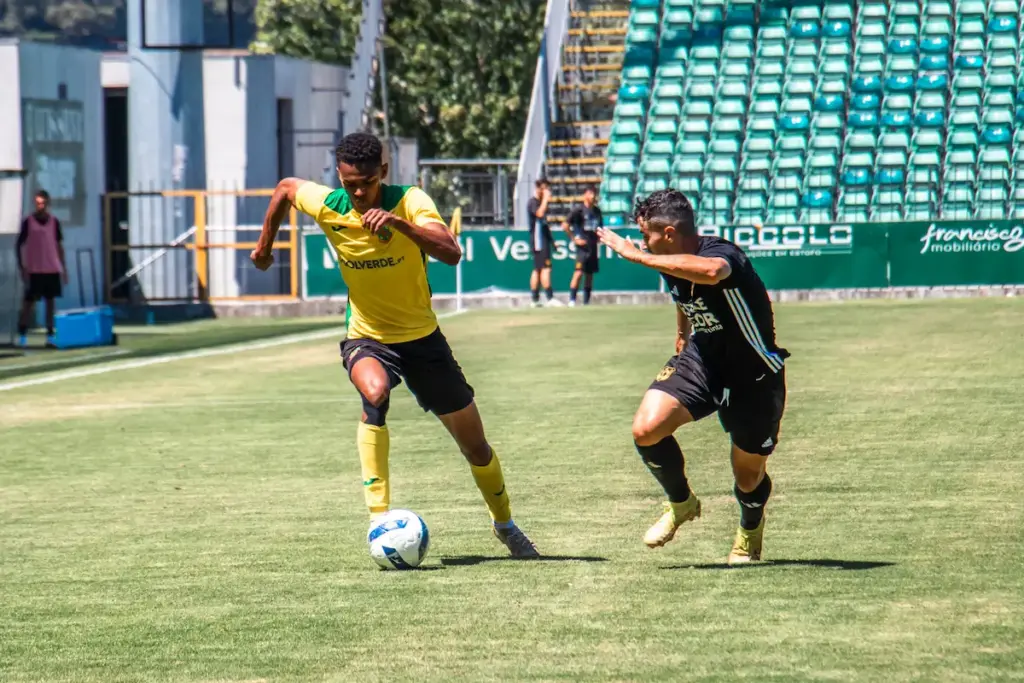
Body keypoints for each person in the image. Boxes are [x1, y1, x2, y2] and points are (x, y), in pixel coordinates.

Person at [251, 132, 539, 558]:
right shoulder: (330, 204)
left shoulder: (410, 200)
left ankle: (505, 524)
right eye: (350, 184)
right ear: (339, 177)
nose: (359, 192)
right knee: (375, 393)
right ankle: (378, 519)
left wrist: (400, 224)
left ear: (383, 172)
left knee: (475, 446)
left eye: (367, 182)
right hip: (368, 337)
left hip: (423, 340)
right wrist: (263, 247)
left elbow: (451, 252)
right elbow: (286, 189)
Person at [596, 189, 789, 564]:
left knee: (748, 476)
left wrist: (635, 256)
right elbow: (684, 290)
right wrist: (683, 330)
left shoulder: (721, 253)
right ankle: (681, 503)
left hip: (754, 374)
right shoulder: (670, 258)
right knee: (646, 430)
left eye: (646, 235)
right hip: (702, 358)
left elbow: (713, 273)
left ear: (668, 233)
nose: (642, 242)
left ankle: (749, 530)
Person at [16, 190, 67, 348]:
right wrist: (22, 266)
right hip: (34, 269)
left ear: (48, 204)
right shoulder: (28, 222)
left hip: (51, 268)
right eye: (38, 203)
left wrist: (63, 268)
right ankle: (22, 336)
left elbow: (58, 245)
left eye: (43, 203)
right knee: (28, 303)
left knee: (50, 303)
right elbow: (19, 244)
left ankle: (50, 337)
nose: (41, 206)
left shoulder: (54, 222)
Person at [561, 185, 603, 306]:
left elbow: (599, 227)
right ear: (585, 195)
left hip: (593, 246)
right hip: (582, 247)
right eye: (590, 193)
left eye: (594, 193)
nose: (592, 196)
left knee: (589, 274)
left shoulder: (597, 211)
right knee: (578, 272)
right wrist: (574, 239)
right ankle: (572, 299)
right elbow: (565, 225)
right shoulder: (578, 210)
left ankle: (586, 301)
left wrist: (599, 238)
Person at [526, 178, 559, 307]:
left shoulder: (541, 203)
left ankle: (535, 299)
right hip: (538, 241)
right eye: (544, 188)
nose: (547, 192)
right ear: (538, 188)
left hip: (543, 240)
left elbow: (545, 225)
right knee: (544, 269)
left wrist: (552, 241)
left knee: (539, 269)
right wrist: (545, 199)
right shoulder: (533, 202)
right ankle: (549, 298)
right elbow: (539, 214)